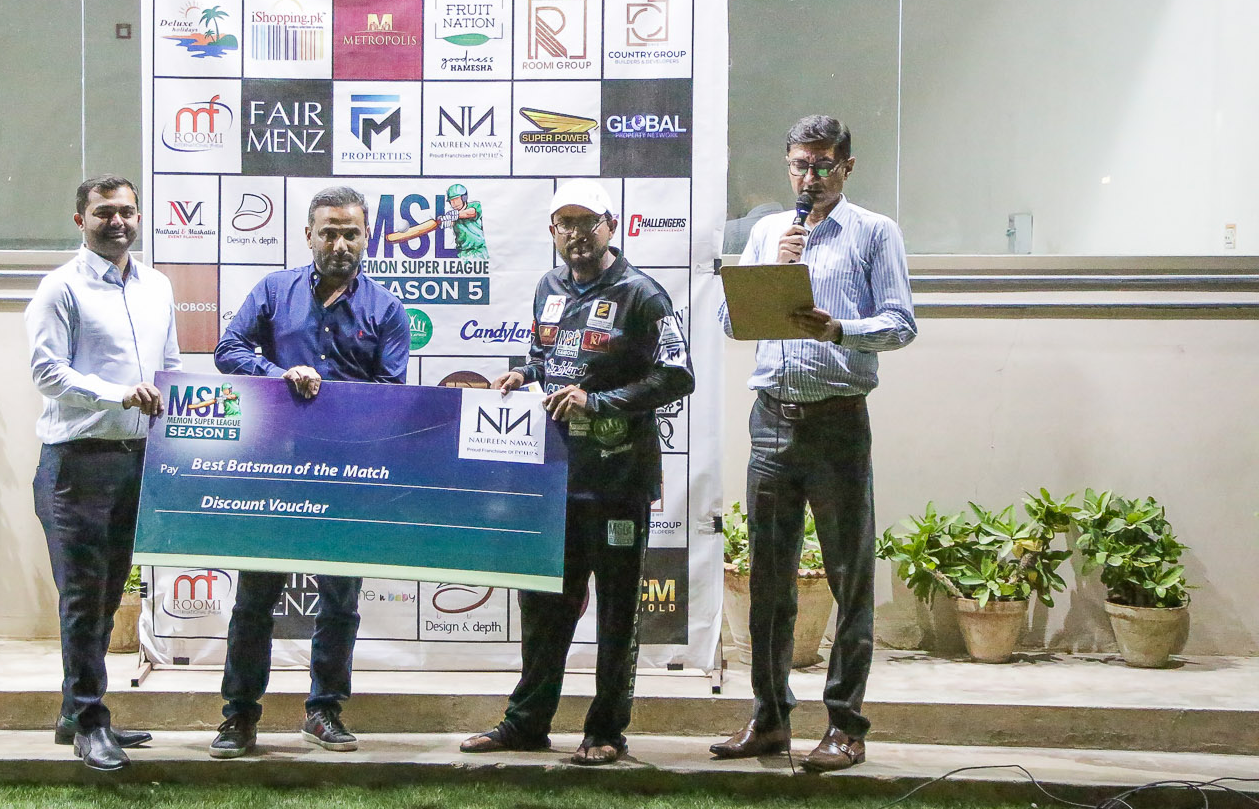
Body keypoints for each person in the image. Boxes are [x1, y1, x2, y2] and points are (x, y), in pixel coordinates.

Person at [462, 178, 694, 766]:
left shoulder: (643, 294)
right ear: (552, 231)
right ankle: (526, 723)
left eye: (588, 222)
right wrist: (524, 373)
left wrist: (602, 403)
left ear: (610, 226)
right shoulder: (548, 286)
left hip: (618, 482)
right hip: (554, 480)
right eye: (566, 224)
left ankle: (607, 731)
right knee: (543, 608)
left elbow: (678, 375)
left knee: (616, 613)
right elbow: (548, 355)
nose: (577, 234)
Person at [711, 115, 917, 773]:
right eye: (801, 165)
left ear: (847, 167)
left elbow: (900, 323)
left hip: (837, 423)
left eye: (824, 164)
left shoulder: (874, 233)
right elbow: (731, 321)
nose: (811, 177)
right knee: (769, 581)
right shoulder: (768, 233)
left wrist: (839, 330)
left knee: (849, 578)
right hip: (771, 420)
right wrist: (774, 271)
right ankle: (769, 718)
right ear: (787, 165)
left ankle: (845, 727)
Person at [208, 185, 410, 758]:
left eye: (351, 233)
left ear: (366, 237)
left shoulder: (387, 310)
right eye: (329, 232)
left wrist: (335, 402)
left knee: (340, 603)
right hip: (272, 474)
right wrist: (280, 374)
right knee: (254, 602)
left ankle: (324, 712)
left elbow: (390, 394)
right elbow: (228, 350)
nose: (340, 243)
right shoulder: (274, 292)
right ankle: (239, 716)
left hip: (348, 479)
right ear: (309, 236)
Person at [26, 174, 180, 772]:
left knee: (109, 594)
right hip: (77, 463)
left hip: (136, 460)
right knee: (83, 597)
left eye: (127, 212)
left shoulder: (157, 287)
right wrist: (119, 394)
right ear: (80, 221)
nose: (118, 222)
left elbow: (169, 367)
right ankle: (91, 723)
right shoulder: (59, 288)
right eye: (104, 213)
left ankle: (74, 712)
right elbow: (47, 373)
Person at [386, 182, 487, 259]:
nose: (453, 203)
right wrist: (443, 222)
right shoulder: (451, 215)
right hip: (462, 253)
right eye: (451, 201)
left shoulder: (475, 206)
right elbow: (450, 222)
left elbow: (470, 213)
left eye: (456, 199)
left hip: (479, 251)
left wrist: (455, 215)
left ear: (464, 198)